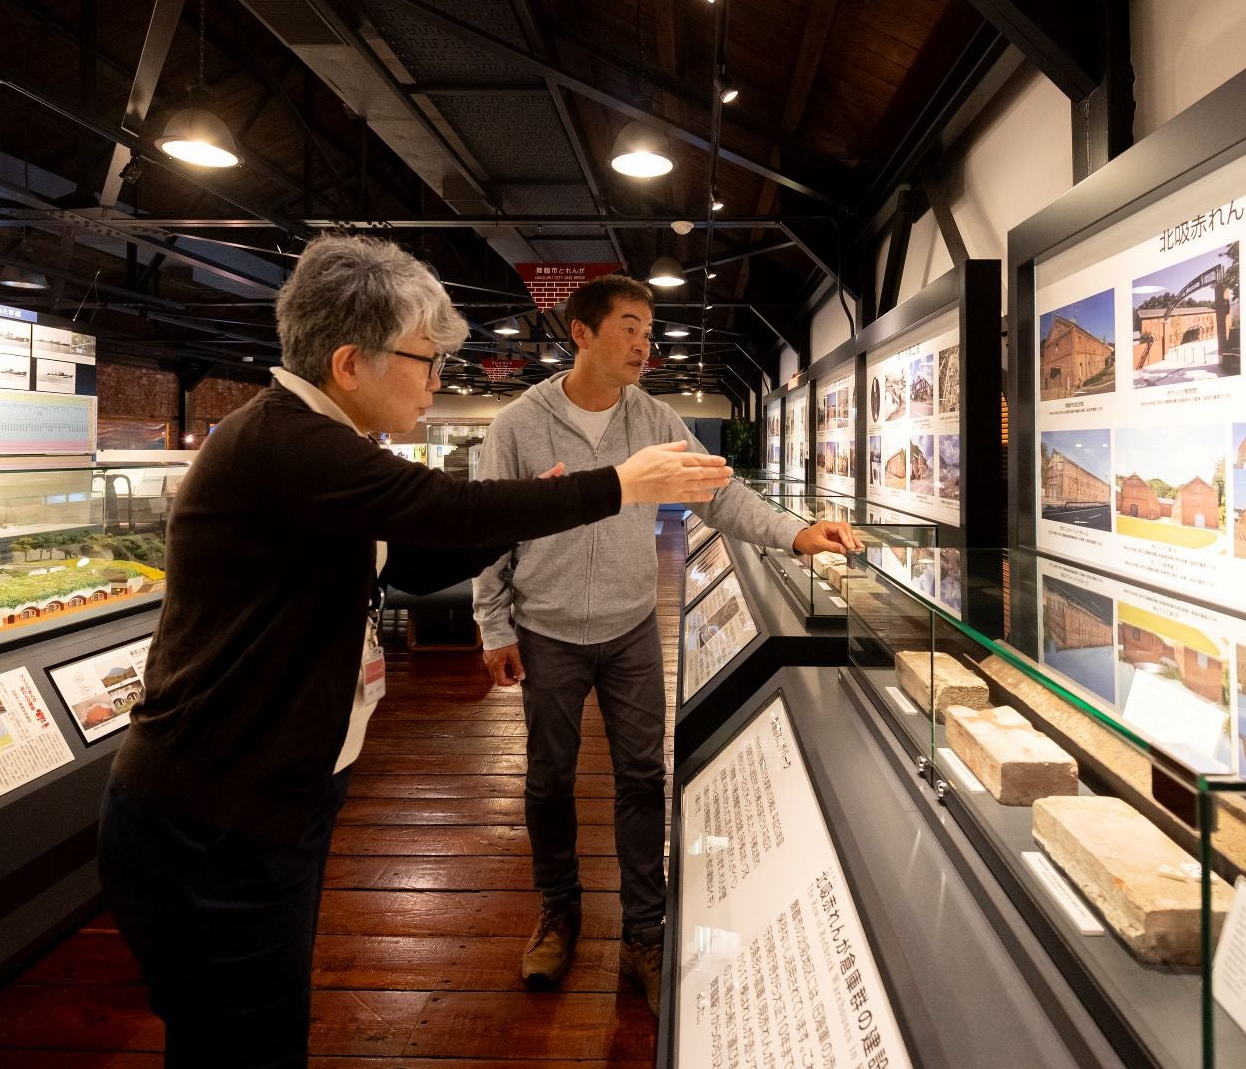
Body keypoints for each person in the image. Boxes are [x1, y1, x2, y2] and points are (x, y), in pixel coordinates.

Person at [96, 238, 731, 1068]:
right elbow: (443, 512)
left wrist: (526, 508)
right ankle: (559, 911)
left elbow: (426, 553)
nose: (438, 380)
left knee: (249, 1033)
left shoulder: (313, 440)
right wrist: (620, 486)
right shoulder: (291, 444)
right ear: (351, 362)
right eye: (426, 359)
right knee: (242, 1042)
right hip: (218, 813)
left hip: (264, 801)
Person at [471, 273, 861, 1013]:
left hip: (628, 629)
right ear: (581, 333)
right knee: (549, 779)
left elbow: (720, 492)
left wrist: (799, 533)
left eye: (649, 329)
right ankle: (559, 909)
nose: (644, 342)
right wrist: (494, 626)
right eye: (628, 326)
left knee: (643, 777)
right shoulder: (518, 425)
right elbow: (489, 531)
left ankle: (643, 933)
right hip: (545, 630)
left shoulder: (654, 418)